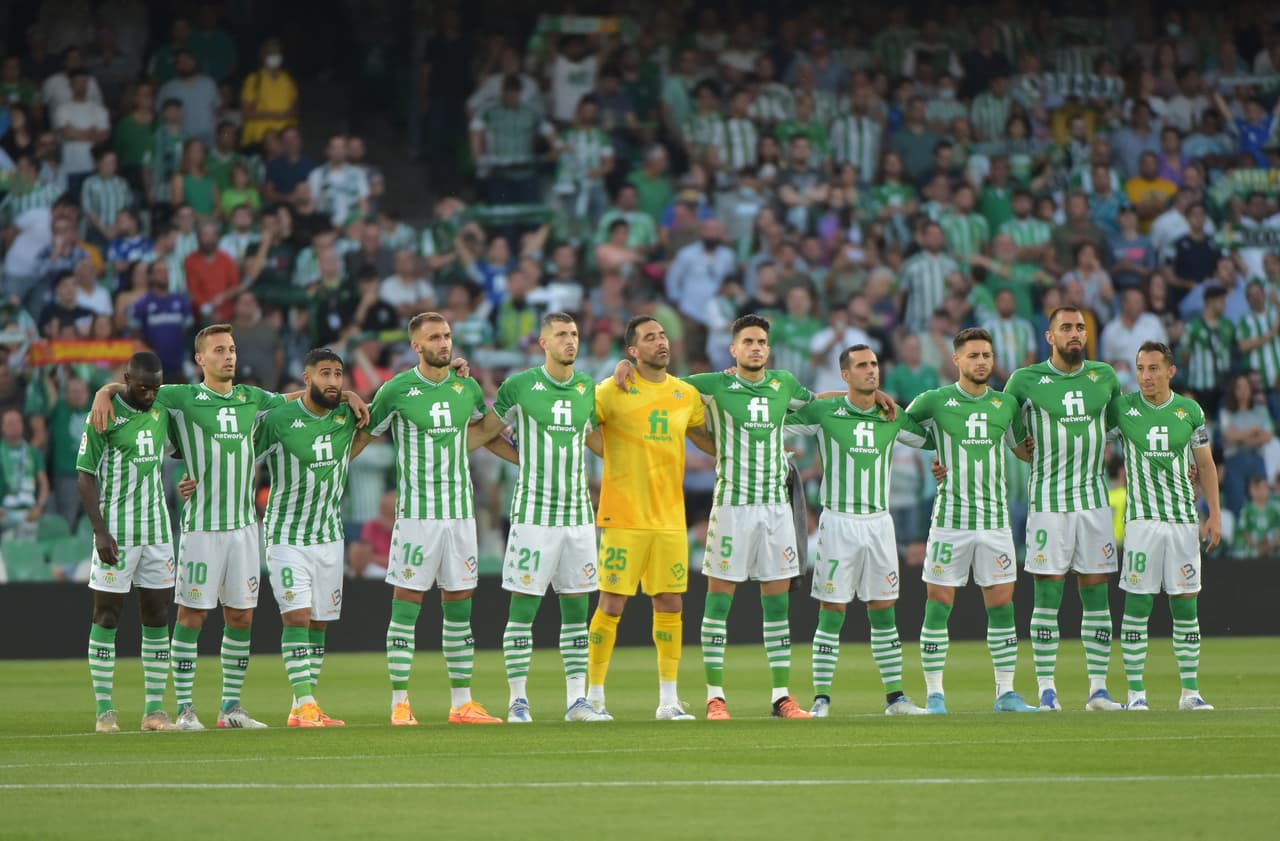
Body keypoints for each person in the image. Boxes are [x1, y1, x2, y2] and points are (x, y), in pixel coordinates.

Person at [88, 324, 367, 731]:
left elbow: (297, 398)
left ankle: (230, 708)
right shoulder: (181, 397)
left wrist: (346, 394)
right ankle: (184, 709)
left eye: (232, 348)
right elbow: (137, 388)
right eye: (219, 350)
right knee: (191, 617)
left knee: (240, 617)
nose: (229, 356)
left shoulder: (251, 397)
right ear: (201, 359)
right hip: (202, 528)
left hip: (243, 529)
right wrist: (105, 390)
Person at [623, 314, 815, 719]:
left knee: (777, 607)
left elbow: (819, 407)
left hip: (776, 510)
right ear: (733, 350)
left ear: (769, 347)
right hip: (731, 510)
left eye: (761, 341)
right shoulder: (712, 385)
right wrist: (628, 366)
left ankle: (782, 696)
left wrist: (864, 396)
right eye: (748, 341)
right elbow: (663, 388)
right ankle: (715, 696)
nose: (756, 347)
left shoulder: (785, 385)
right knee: (717, 605)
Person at [351, 312, 504, 726]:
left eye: (447, 336)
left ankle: (462, 703)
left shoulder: (466, 387)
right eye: (434, 337)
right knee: (408, 603)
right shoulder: (396, 389)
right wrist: (328, 473)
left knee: (459, 605)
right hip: (417, 515)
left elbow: (479, 431)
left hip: (460, 515)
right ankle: (400, 702)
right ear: (416, 346)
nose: (444, 343)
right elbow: (363, 434)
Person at [465, 313, 608, 723]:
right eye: (561, 334)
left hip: (579, 517)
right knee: (522, 612)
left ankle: (577, 701)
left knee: (576, 612)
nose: (570, 341)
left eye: (575, 334)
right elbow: (486, 432)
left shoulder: (586, 388)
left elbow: (597, 438)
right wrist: (453, 449)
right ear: (543, 342)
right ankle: (517, 700)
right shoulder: (520, 386)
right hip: (533, 516)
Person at [785, 344, 930, 716]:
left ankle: (896, 698)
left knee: (884, 612)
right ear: (845, 375)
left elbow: (931, 439)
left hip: (879, 523)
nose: (872, 370)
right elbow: (779, 414)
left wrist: (942, 466)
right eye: (862, 366)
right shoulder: (825, 411)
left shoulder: (892, 415)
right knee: (832, 612)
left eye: (875, 364)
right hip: (839, 523)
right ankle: (821, 699)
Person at [998, 307, 1126, 711]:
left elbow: (1123, 427)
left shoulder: (1104, 376)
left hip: (1093, 504)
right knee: (1047, 597)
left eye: (1080, 328)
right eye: (1066, 328)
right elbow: (998, 420)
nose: (1075, 334)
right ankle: (1047, 690)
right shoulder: (1025, 379)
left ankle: (1098, 689)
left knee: (1096, 597)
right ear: (1049, 336)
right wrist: (1020, 447)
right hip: (1048, 504)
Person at [582, 316, 710, 720]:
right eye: (649, 337)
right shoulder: (612, 389)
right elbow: (580, 419)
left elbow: (702, 437)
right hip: (623, 515)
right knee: (612, 603)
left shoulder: (685, 394)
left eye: (663, 335)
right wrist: (610, 452)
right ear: (633, 351)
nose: (661, 342)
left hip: (670, 518)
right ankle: (594, 697)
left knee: (670, 602)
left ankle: (668, 701)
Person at [905, 327, 1038, 714]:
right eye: (974, 355)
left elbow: (1020, 449)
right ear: (956, 360)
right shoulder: (935, 400)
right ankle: (934, 694)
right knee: (938, 604)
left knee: (1001, 606)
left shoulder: (1006, 405)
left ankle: (1006, 693)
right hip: (950, 521)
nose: (981, 362)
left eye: (986, 355)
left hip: (995, 521)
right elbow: (903, 428)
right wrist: (934, 456)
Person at [1108, 341, 1221, 710]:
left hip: (1183, 522)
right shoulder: (1123, 408)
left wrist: (1214, 514)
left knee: (1185, 608)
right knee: (1137, 609)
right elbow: (1090, 438)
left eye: (1153, 368)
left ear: (1170, 371)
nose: (1145, 376)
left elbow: (1204, 465)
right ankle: (1136, 694)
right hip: (1142, 525)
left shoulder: (1189, 411)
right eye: (1140, 368)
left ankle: (1190, 692)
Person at [249, 349, 358, 727]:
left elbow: (385, 405)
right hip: (285, 536)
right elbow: (241, 457)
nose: (332, 381)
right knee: (295, 617)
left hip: (329, 536)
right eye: (324, 373)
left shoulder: (348, 415)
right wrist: (197, 482)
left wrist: (354, 397)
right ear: (306, 378)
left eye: (338, 374)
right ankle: (308, 701)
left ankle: (301, 708)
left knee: (318, 623)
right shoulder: (279, 420)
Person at [76, 352, 178, 733]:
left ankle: (154, 711)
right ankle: (105, 711)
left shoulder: (162, 407)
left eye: (155, 387)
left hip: (157, 533)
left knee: (157, 616)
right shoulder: (103, 415)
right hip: (117, 534)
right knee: (107, 616)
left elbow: (179, 446)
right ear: (126, 379)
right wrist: (99, 530)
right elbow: (85, 475)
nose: (150, 394)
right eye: (142, 387)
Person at [0, 409, 50, 542]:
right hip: (5, 512)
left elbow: (44, 483)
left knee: (29, 550)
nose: (14, 426)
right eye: (10, 423)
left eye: (17, 422)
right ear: (2, 427)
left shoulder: (32, 452)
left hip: (29, 511)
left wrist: (39, 507)